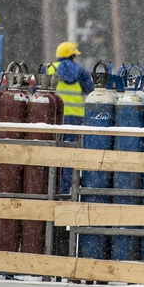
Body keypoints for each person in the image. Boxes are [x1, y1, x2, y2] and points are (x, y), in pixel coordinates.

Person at [48, 41, 95, 195]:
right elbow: (92, 92)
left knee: (51, 153)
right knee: (69, 156)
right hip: (75, 120)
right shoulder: (82, 72)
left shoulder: (48, 69)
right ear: (73, 56)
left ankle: (49, 189)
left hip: (52, 118)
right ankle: (65, 191)